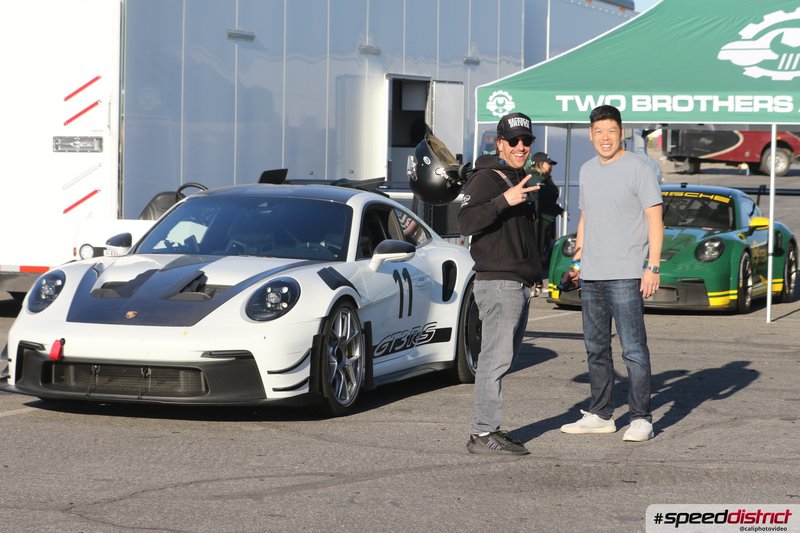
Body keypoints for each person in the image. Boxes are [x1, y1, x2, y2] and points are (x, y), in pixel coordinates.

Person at [559, 104, 663, 442]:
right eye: (599, 132)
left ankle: (641, 418)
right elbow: (586, 217)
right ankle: (601, 414)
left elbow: (655, 218)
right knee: (596, 349)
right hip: (592, 275)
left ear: (622, 133)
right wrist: (577, 263)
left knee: (633, 350)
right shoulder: (587, 170)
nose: (605, 138)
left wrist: (653, 266)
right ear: (591, 135)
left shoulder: (638, 168)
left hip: (626, 274)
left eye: (611, 131)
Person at [458, 112, 543, 455]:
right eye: (514, 141)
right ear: (500, 144)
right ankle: (482, 433)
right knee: (494, 360)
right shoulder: (486, 178)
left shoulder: (517, 177)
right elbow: (465, 221)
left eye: (527, 141)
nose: (521, 147)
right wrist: (503, 201)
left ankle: (489, 427)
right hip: (498, 283)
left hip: (517, 284)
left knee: (501, 360)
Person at [530, 152, 564, 284]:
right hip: (537, 222)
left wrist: (559, 210)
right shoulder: (531, 177)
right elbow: (536, 200)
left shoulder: (546, 179)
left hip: (548, 222)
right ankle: (534, 281)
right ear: (540, 163)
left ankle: (538, 280)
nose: (551, 167)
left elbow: (549, 201)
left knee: (544, 251)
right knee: (536, 251)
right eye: (548, 164)